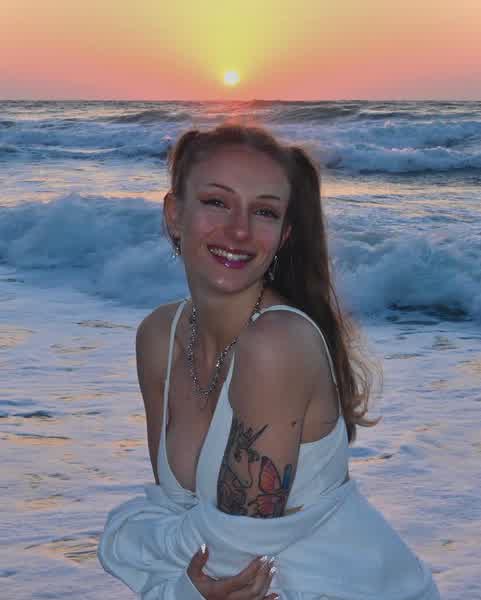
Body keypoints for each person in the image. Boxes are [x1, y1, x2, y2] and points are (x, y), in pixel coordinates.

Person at [97, 123, 441, 600]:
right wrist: (157, 550)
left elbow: (234, 557)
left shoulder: (277, 344)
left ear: (283, 235)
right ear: (175, 214)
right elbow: (179, 514)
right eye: (217, 202)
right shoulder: (160, 336)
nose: (239, 230)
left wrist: (125, 539)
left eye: (264, 211)